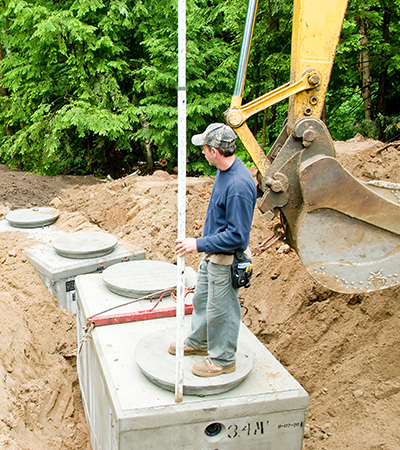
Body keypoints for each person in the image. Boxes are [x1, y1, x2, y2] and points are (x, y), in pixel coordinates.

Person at [169, 123, 257, 377]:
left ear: (215, 151)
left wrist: (197, 244)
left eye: (205, 149)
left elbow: (237, 235)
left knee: (222, 311)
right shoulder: (224, 171)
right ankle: (199, 342)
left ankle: (223, 359)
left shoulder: (239, 186)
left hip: (225, 259)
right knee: (202, 300)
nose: (203, 153)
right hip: (213, 255)